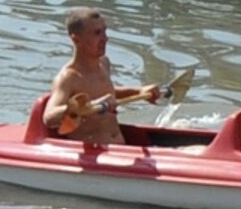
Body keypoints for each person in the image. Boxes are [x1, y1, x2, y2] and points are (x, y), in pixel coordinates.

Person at [46, 7, 161, 145]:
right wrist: (91, 106)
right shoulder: (68, 78)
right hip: (94, 153)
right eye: (97, 33)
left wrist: (139, 91)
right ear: (76, 39)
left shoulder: (104, 63)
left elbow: (104, 91)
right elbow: (49, 117)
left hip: (120, 148)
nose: (105, 39)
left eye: (104, 32)